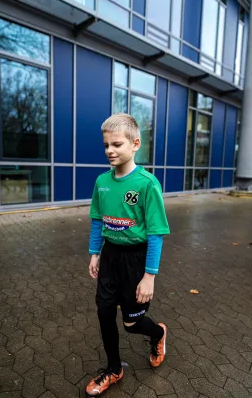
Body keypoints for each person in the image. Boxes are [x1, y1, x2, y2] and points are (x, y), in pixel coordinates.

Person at [86, 113, 170, 397]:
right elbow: (97, 220)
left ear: (135, 144)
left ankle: (157, 334)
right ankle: (113, 369)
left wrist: (149, 276)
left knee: (132, 324)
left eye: (117, 144)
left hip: (136, 259)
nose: (110, 150)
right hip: (110, 255)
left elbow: (156, 232)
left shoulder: (147, 184)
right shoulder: (101, 182)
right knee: (104, 312)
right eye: (106, 145)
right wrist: (95, 253)